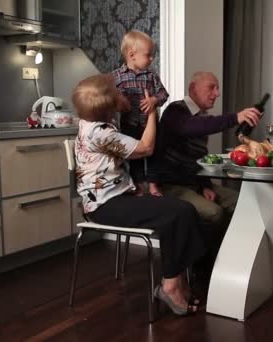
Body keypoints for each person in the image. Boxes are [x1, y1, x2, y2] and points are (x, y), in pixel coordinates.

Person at [73, 74, 205, 316]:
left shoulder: (91, 123)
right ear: (106, 104)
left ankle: (176, 281)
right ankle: (170, 285)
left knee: (182, 211)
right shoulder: (101, 133)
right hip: (106, 206)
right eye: (117, 91)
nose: (122, 93)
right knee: (179, 212)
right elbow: (146, 148)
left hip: (116, 197)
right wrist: (152, 110)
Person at [153, 71, 261, 261]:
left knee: (243, 203)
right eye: (212, 87)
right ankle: (203, 263)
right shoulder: (176, 111)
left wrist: (205, 185)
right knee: (214, 212)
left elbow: (197, 159)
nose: (217, 93)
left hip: (194, 184)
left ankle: (231, 258)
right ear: (193, 89)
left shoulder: (200, 117)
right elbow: (191, 127)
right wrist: (235, 118)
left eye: (217, 88)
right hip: (171, 186)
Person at [113, 30, 169, 197]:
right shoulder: (117, 77)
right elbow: (111, 100)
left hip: (149, 124)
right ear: (132, 55)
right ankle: (138, 184)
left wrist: (153, 100)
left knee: (155, 154)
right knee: (134, 156)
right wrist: (120, 103)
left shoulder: (151, 76)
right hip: (130, 123)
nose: (152, 58)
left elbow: (164, 94)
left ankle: (153, 185)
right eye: (148, 55)